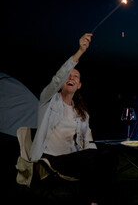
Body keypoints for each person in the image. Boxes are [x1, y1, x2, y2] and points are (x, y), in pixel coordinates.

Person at [29, 33, 117, 205]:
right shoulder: (47, 101)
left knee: (108, 156)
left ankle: (97, 201)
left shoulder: (81, 113)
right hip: (50, 160)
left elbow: (89, 141)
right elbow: (57, 78)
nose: (71, 78)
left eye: (75, 77)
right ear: (62, 82)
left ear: (79, 86)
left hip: (74, 160)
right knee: (91, 158)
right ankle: (93, 201)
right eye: (68, 76)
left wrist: (97, 154)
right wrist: (80, 51)